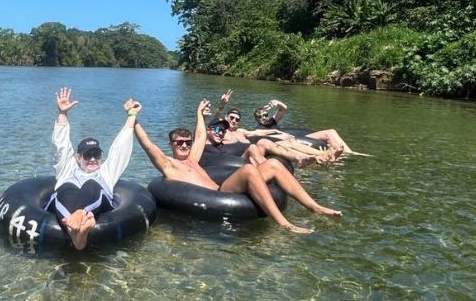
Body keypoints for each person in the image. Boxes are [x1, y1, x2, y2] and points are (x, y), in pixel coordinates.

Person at [134, 99, 342, 235]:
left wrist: (199, 113)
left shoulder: (193, 158)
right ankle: (283, 223)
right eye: (179, 143)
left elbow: (199, 135)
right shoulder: (169, 166)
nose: (184, 145)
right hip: (217, 194)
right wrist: (133, 119)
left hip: (222, 187)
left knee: (274, 164)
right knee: (249, 169)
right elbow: (147, 145)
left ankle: (315, 206)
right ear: (171, 144)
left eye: (186, 142)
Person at [48, 87, 140, 250]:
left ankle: (78, 218)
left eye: (96, 154)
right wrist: (62, 113)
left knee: (91, 185)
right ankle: (79, 235)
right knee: (66, 187)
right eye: (87, 155)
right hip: (68, 197)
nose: (92, 159)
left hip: (94, 197)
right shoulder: (67, 168)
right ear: (77, 157)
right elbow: (61, 146)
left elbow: (121, 146)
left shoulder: (106, 171)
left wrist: (132, 116)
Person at [253, 99, 363, 157]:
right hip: (291, 141)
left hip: (299, 137)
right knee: (327, 134)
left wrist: (276, 102)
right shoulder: (259, 128)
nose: (264, 117)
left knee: (332, 131)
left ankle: (349, 153)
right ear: (256, 119)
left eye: (265, 115)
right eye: (260, 116)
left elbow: (283, 109)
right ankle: (347, 155)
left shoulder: (272, 121)